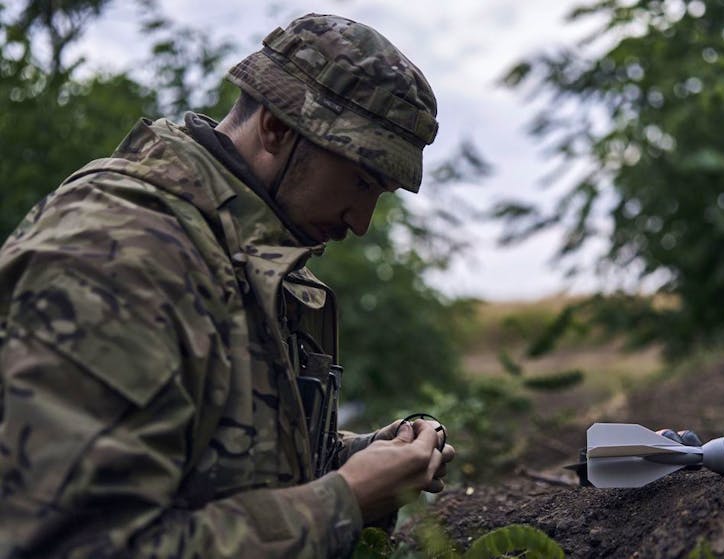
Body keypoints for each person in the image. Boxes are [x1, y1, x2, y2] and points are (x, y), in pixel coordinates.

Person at [0, 13, 454, 558]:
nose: (361, 220)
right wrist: (346, 498)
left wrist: (364, 458)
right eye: (360, 180)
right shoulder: (114, 255)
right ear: (277, 128)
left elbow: (234, 468)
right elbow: (72, 543)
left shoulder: (252, 256)